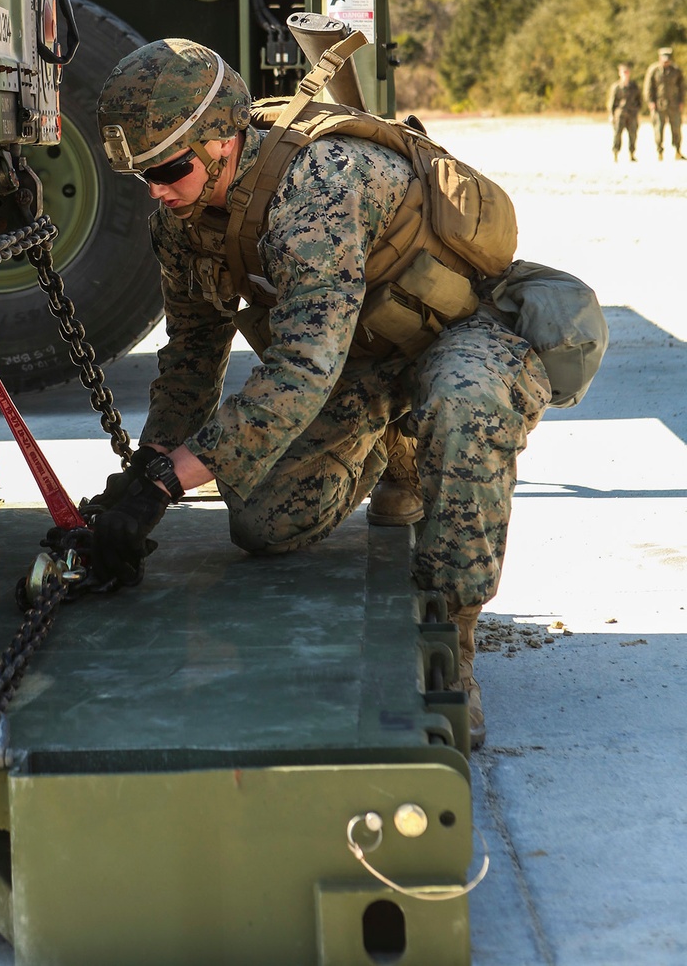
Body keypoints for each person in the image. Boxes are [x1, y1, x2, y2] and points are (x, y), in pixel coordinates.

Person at [89, 39, 552, 748]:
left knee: (465, 407)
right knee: (264, 524)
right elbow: (190, 357)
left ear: (223, 141)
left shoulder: (318, 186)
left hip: (457, 337)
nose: (156, 190)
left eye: (169, 170)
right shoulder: (180, 223)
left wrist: (174, 482)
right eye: (141, 176)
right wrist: (148, 472)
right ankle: (395, 445)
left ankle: (451, 642)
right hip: (362, 360)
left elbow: (302, 368)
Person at [642, 47, 685, 160]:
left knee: (676, 128)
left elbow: (682, 88)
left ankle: (677, 150)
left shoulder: (676, 70)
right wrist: (650, 102)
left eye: (668, 59)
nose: (666, 61)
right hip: (659, 104)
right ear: (659, 58)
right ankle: (659, 152)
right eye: (664, 59)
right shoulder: (653, 70)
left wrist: (682, 101)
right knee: (658, 128)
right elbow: (648, 87)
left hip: (674, 104)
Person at [607, 62, 640, 162]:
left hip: (632, 114)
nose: (625, 74)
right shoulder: (616, 87)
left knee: (633, 135)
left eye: (627, 72)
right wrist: (611, 115)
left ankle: (632, 154)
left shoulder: (634, 86)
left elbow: (639, 101)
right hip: (620, 114)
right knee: (617, 134)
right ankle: (616, 153)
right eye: (623, 72)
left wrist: (637, 111)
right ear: (620, 73)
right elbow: (612, 103)